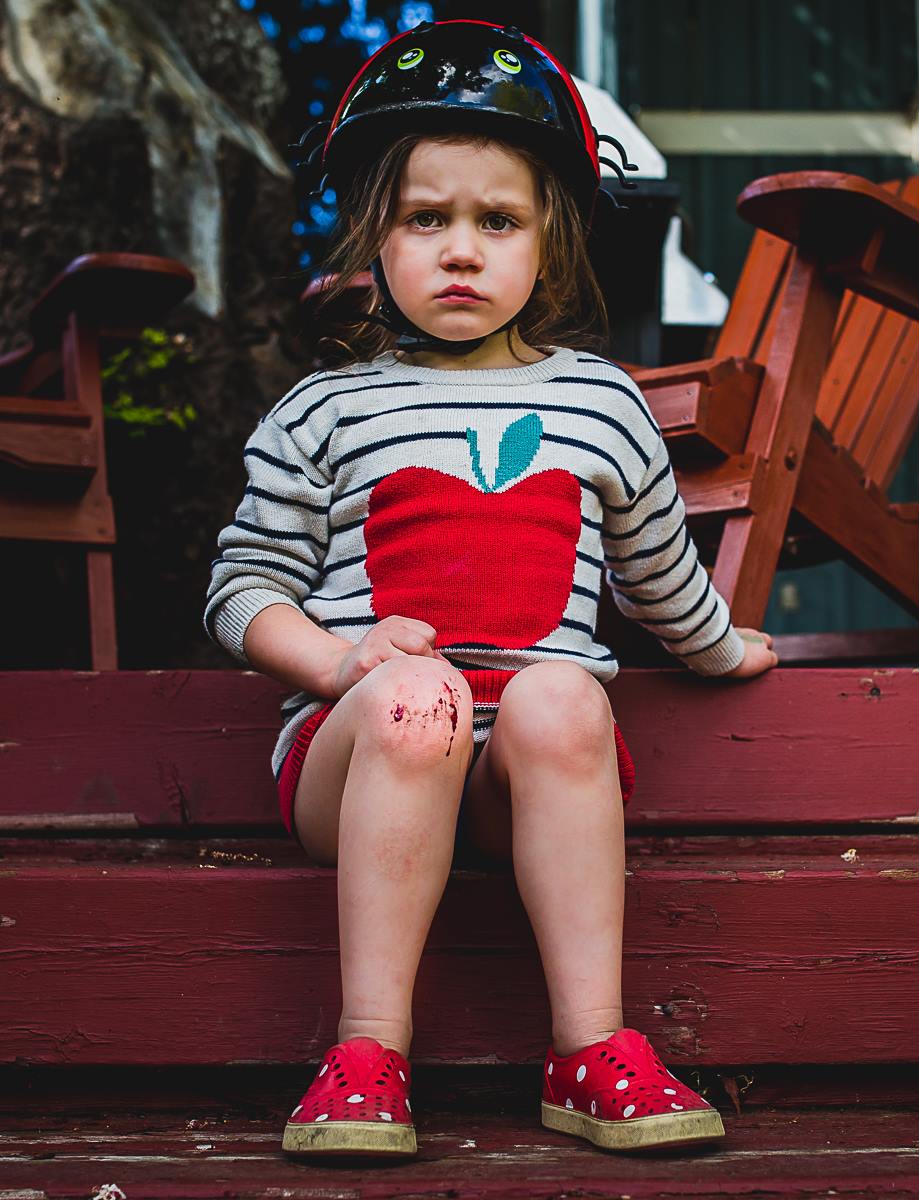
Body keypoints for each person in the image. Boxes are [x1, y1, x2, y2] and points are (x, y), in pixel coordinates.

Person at [203, 19, 778, 1160]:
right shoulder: (325, 409)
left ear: (549, 245)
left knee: (566, 692)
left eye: (496, 221)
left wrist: (722, 651)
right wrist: (339, 660)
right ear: (376, 235)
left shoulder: (602, 406)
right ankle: (367, 1053)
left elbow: (660, 576)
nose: (460, 251)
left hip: (524, 776)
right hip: (360, 752)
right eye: (427, 219)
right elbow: (242, 589)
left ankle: (590, 1049)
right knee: (417, 699)